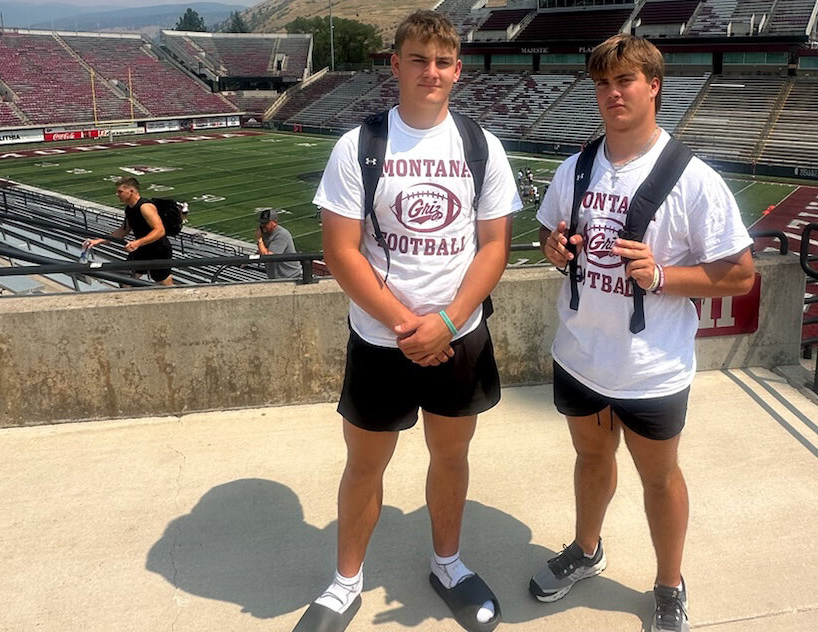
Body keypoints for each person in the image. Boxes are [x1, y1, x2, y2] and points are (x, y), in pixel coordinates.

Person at [294, 9, 520, 632]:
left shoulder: (481, 145)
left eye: (443, 61)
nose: (431, 71)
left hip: (458, 336)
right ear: (395, 65)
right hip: (379, 337)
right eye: (418, 59)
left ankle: (448, 563)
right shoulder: (359, 145)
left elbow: (494, 245)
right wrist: (405, 324)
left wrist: (446, 321)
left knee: (451, 456)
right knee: (365, 462)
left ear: (458, 71)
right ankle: (345, 583)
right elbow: (341, 252)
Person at [531, 34, 756, 632]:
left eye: (624, 80)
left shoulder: (693, 178)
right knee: (589, 458)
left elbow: (739, 276)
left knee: (659, 478)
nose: (611, 94)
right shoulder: (575, 167)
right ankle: (587, 548)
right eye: (602, 83)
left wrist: (661, 274)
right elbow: (555, 240)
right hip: (579, 354)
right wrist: (555, 250)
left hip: (651, 367)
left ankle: (668, 583)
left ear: (653, 86)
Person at [83, 177, 173, 285]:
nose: (117, 194)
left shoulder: (145, 207)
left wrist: (138, 242)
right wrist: (98, 241)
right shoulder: (129, 209)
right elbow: (122, 231)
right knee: (125, 281)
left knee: (164, 284)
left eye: (120, 191)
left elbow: (160, 231)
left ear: (131, 191)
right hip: (141, 250)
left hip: (158, 250)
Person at [257, 208, 299, 280]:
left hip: (291, 277)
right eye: (261, 223)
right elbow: (262, 250)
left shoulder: (281, 234)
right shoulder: (265, 233)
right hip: (276, 277)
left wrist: (259, 240)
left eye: (266, 223)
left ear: (275, 223)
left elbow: (268, 257)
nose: (262, 225)